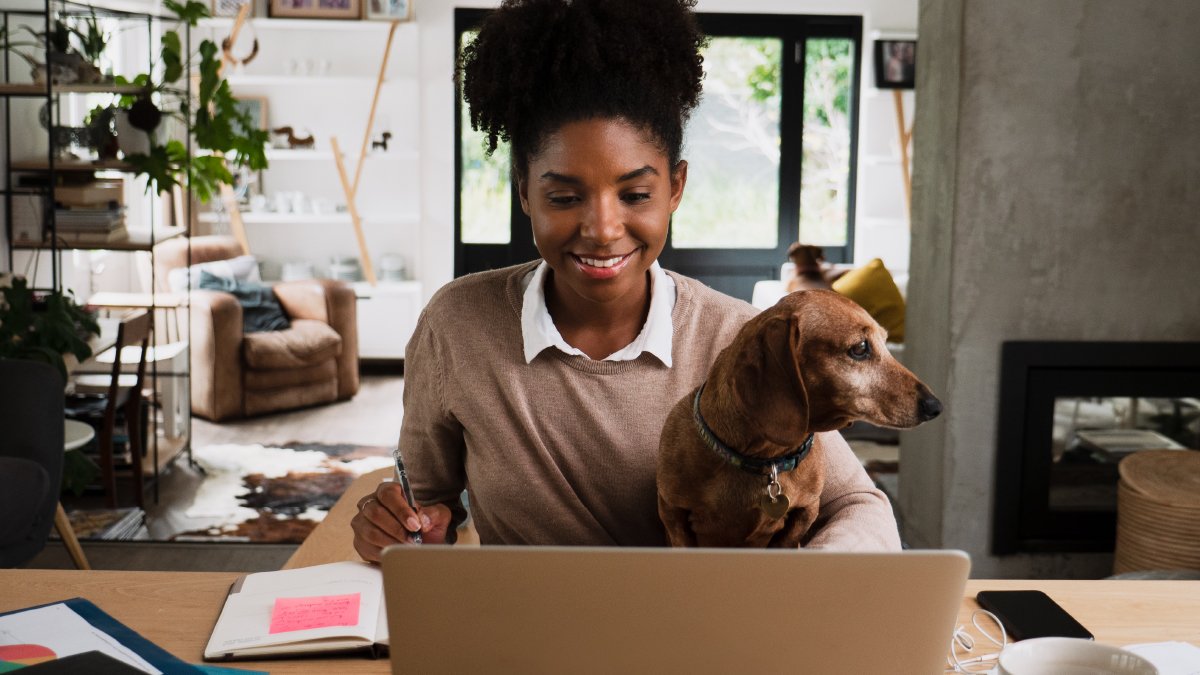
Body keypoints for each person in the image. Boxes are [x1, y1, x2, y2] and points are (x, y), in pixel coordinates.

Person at [351, 0, 901, 562]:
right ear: (523, 192)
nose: (602, 229)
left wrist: (806, 583)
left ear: (676, 188)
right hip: (527, 637)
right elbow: (427, 506)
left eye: (636, 196)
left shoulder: (744, 339)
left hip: (707, 637)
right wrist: (406, 528)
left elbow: (859, 504)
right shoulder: (456, 324)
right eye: (564, 198)